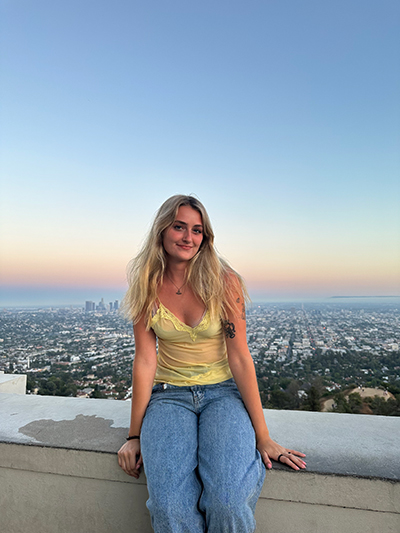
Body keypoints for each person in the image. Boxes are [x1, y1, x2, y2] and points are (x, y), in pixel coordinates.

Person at [118, 194, 306, 533]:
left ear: (206, 237)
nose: (188, 237)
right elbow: (145, 360)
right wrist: (134, 435)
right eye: (179, 227)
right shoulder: (146, 284)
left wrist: (263, 437)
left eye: (197, 230)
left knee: (228, 501)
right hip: (168, 395)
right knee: (169, 505)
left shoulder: (223, 280)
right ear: (162, 229)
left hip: (223, 394)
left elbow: (239, 357)